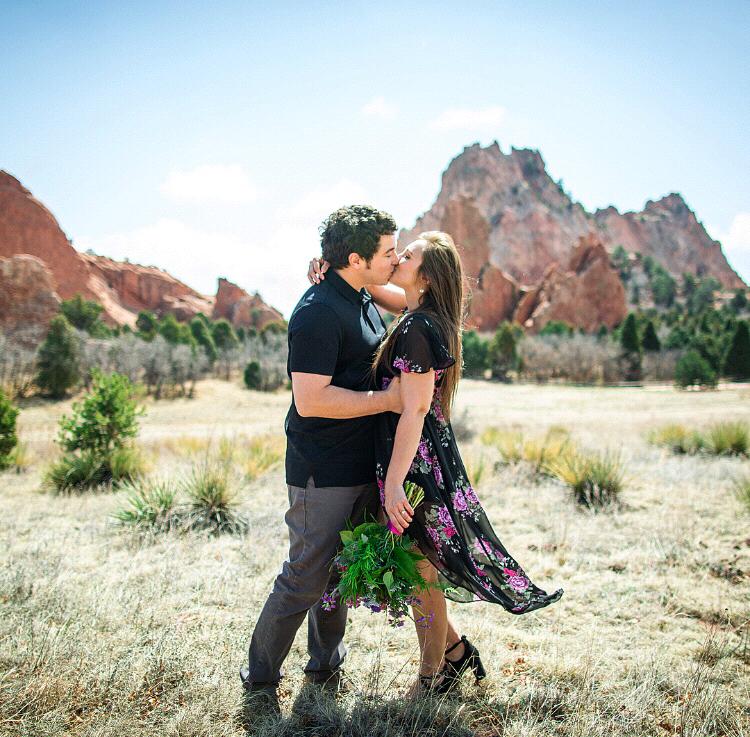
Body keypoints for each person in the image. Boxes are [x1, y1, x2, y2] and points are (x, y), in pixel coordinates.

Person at [309, 231, 563, 697]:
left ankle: (432, 679)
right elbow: (376, 290)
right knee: (416, 565)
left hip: (417, 466)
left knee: (422, 572)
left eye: (407, 256)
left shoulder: (418, 328)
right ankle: (456, 654)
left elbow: (416, 410)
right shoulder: (418, 316)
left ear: (424, 277)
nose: (398, 257)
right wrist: (342, 276)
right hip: (417, 460)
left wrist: (394, 486)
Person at [239, 205, 403, 707]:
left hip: (359, 464)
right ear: (356, 257)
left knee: (339, 573)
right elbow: (311, 399)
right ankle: (260, 677)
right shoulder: (316, 312)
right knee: (306, 575)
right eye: (388, 252)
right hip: (322, 470)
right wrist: (387, 402)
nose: (396, 260)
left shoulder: (360, 295)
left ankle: (325, 663)